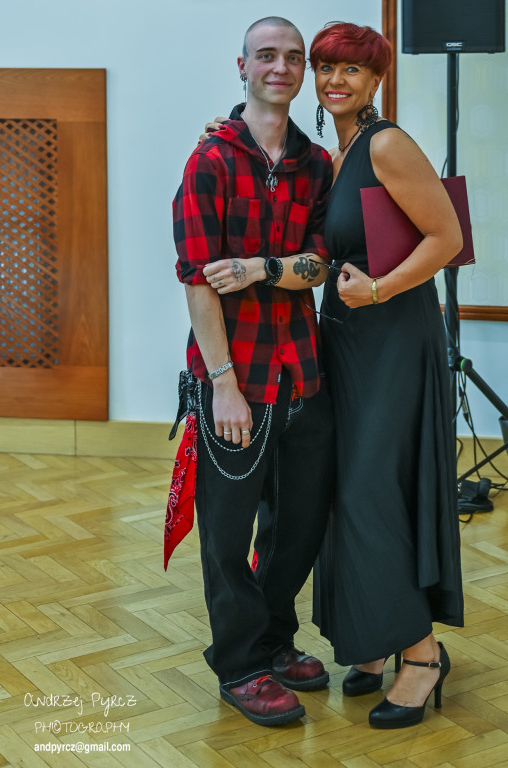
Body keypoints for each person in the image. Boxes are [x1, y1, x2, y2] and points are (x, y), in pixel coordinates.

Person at [202, 21, 464, 730]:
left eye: (352, 69)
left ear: (376, 79)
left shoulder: (384, 143)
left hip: (390, 337)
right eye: (325, 67)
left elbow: (446, 237)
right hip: (342, 342)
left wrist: (378, 289)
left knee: (371, 491)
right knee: (343, 494)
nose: (335, 80)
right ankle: (374, 638)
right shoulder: (330, 155)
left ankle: (421, 654)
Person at [172, 16, 336, 727]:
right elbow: (198, 280)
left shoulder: (316, 164)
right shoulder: (210, 161)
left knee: (297, 526)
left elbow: (320, 264)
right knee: (228, 532)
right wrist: (223, 386)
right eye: (266, 55)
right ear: (242, 66)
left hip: (303, 374)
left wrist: (265, 269)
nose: (281, 67)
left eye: (293, 57)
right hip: (235, 381)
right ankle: (239, 663)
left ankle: (272, 639)